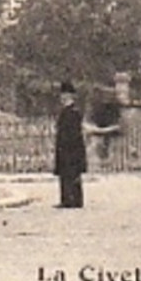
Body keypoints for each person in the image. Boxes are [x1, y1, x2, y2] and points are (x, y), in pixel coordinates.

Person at [53, 80, 86, 209]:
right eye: (62, 95)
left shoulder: (73, 112)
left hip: (71, 147)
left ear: (70, 96)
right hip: (64, 147)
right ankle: (68, 198)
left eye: (65, 95)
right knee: (65, 174)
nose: (62, 98)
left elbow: (74, 133)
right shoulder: (65, 111)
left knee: (72, 173)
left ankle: (74, 199)